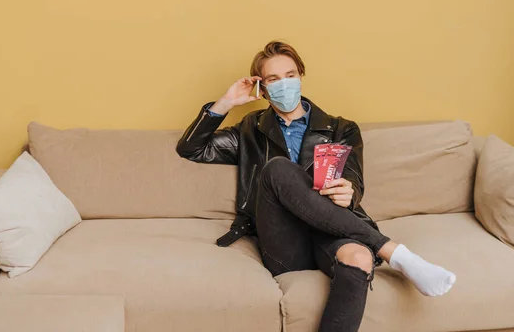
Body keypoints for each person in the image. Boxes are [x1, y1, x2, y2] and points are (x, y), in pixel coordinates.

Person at [176, 41, 456, 332]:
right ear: (262, 88)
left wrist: (349, 192)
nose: (284, 84)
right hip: (284, 242)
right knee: (277, 168)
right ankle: (394, 252)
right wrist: (226, 102)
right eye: (273, 79)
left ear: (301, 77)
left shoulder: (342, 129)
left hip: (331, 230)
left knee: (359, 257)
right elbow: (192, 149)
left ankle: (385, 253)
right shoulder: (250, 130)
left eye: (290, 75)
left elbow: (354, 181)